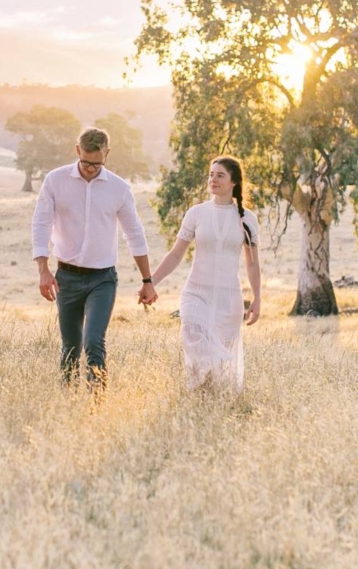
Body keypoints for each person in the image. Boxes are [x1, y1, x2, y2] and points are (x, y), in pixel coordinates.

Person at [31, 127, 157, 388]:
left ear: (107, 154)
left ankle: (96, 403)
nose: (90, 168)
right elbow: (41, 224)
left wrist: (147, 280)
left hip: (102, 279)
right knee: (71, 346)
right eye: (86, 162)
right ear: (77, 151)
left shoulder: (119, 189)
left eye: (97, 163)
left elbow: (134, 233)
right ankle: (67, 400)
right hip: (66, 276)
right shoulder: (55, 180)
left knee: (93, 341)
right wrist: (43, 270)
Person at [149, 156, 261, 391]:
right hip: (196, 292)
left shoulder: (247, 219)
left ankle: (206, 405)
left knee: (217, 374)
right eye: (211, 174)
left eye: (220, 175)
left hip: (228, 299)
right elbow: (175, 254)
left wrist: (257, 298)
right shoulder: (196, 213)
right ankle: (209, 381)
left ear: (234, 182)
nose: (213, 179)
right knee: (193, 334)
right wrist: (151, 282)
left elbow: (252, 264)